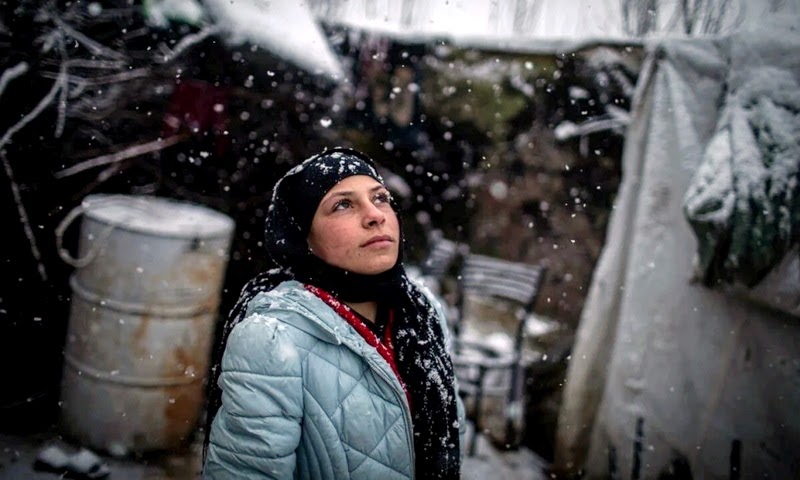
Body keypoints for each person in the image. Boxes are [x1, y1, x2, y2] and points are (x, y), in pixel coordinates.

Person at [202, 147, 465, 479]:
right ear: (302, 238)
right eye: (343, 205)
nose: (375, 215)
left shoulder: (421, 313)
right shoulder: (271, 337)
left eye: (380, 198)